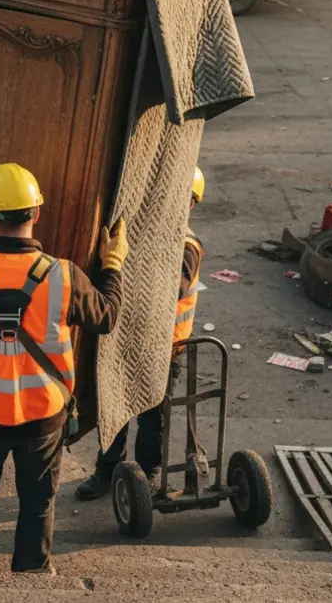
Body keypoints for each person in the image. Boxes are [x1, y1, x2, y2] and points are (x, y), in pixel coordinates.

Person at [0, 163, 127, 574]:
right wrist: (112, 265)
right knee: (38, 500)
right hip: (43, 415)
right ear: (36, 214)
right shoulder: (64, 276)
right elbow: (106, 317)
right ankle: (32, 572)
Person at [74, 166, 205, 501]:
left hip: (165, 348)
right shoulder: (144, 234)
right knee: (114, 410)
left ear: (190, 203)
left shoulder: (187, 245)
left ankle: (148, 474)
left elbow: (174, 289)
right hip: (126, 339)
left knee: (151, 418)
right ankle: (107, 471)